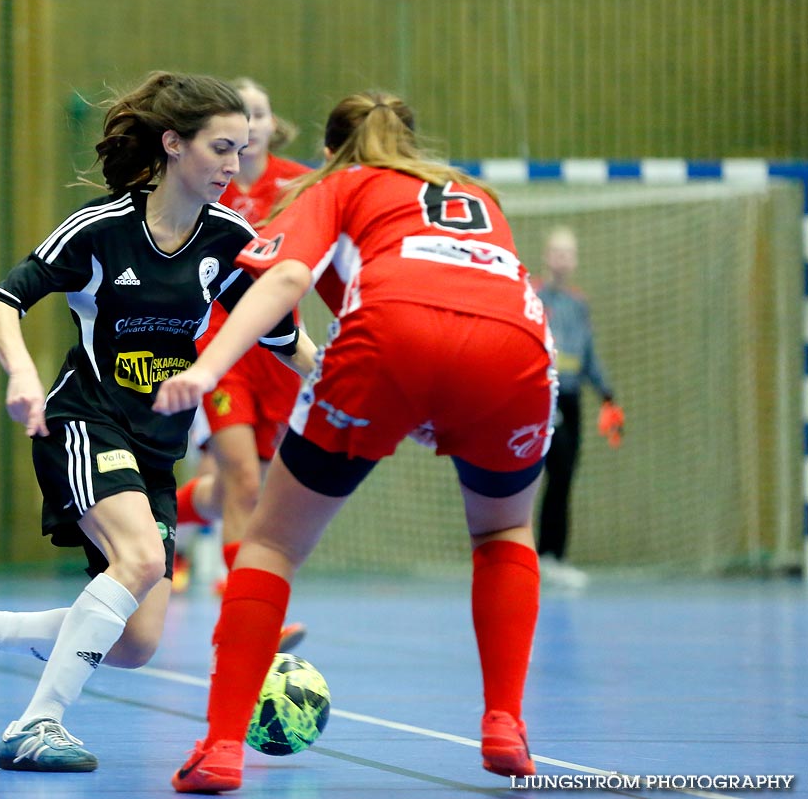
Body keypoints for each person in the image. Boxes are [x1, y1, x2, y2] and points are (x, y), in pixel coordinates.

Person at [152, 91, 555, 793]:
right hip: (516, 345)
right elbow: (477, 295)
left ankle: (221, 747)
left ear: (335, 147)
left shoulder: (338, 182)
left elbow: (285, 276)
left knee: (272, 542)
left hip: (390, 333)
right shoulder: (476, 194)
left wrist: (207, 365)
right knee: (506, 529)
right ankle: (504, 722)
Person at [0, 71, 315, 773]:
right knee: (140, 559)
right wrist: (21, 375)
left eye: (242, 151)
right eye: (221, 149)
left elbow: (282, 336)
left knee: (136, 643)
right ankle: (36, 725)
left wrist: (344, 383)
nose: (234, 167)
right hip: (85, 423)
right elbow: (1, 299)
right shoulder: (103, 229)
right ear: (174, 144)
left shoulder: (230, 238)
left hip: (156, 451)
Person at [175, 79, 310, 652]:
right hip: (221, 347)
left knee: (230, 490)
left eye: (259, 113)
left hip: (279, 352)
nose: (250, 126)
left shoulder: (301, 184)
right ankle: (249, 616)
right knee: (244, 480)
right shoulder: (209, 186)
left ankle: (162, 512)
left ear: (272, 123)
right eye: (241, 116)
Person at [534, 226, 622, 591]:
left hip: (572, 399)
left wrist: (607, 394)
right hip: (543, 397)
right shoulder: (535, 296)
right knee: (544, 475)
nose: (562, 259)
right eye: (556, 252)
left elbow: (587, 354)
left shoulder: (579, 303)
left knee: (565, 477)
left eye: (568, 253)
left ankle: (556, 555)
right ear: (546, 256)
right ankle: (540, 555)